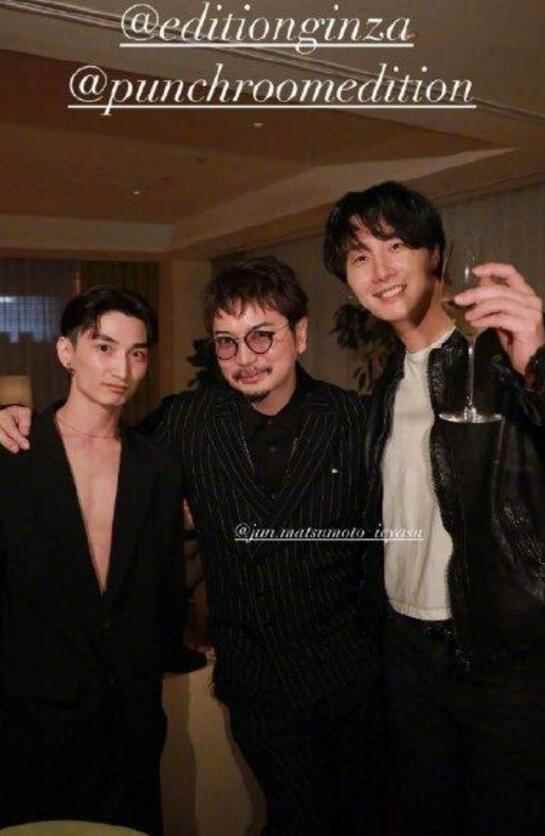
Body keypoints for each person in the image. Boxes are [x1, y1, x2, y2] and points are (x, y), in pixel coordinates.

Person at [0, 258, 383, 836]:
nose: (245, 357)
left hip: (353, 681)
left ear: (300, 335)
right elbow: (97, 446)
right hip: (256, 686)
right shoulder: (186, 423)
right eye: (226, 342)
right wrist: (11, 417)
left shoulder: (357, 422)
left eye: (262, 336)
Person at [324, 180, 545, 836]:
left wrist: (538, 361)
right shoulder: (386, 388)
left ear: (435, 255)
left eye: (395, 245)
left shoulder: (502, 365)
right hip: (406, 650)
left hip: (495, 656)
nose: (380, 269)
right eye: (359, 256)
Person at [0, 286, 186, 834]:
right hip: (28, 718)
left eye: (137, 353)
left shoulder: (157, 465)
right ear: (66, 352)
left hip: (130, 719)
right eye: (104, 348)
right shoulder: (14, 451)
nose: (121, 369)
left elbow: (163, 586)